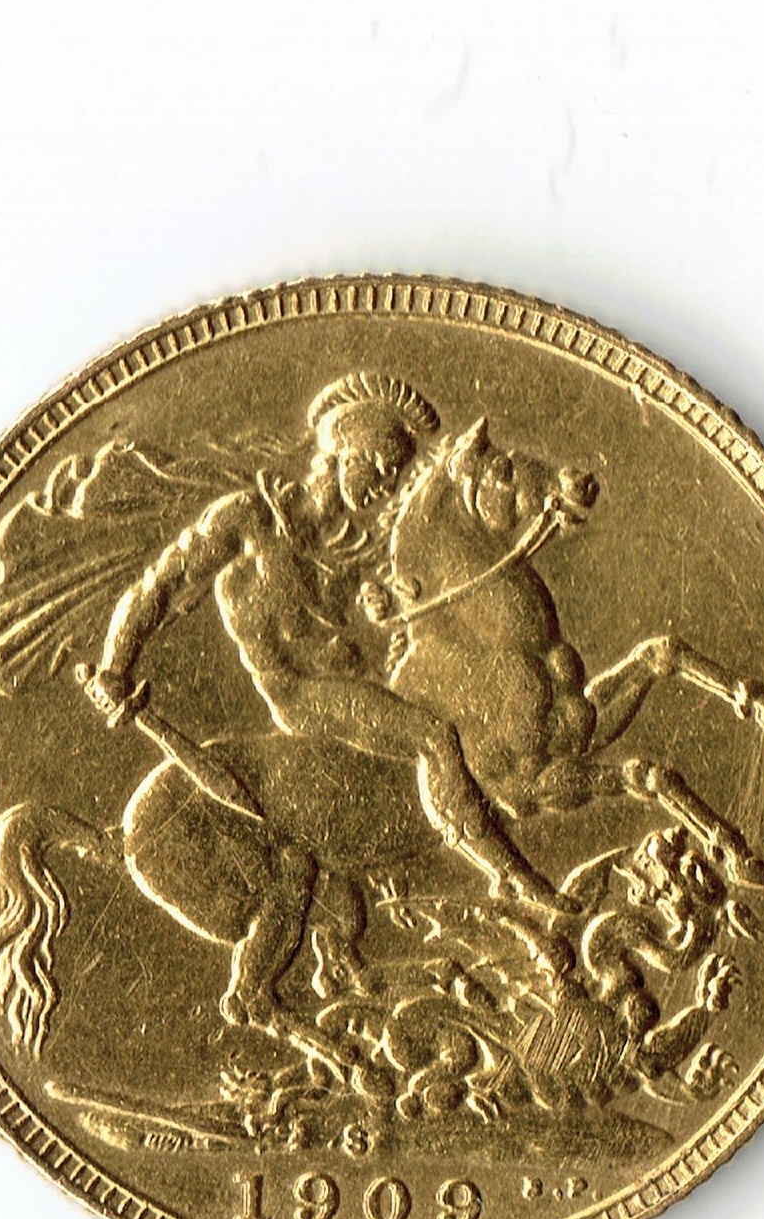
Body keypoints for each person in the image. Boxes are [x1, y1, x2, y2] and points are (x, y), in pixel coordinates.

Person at [80, 372, 565, 916]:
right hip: (300, 695)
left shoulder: (353, 546)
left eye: (396, 471)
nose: (387, 482)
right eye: (381, 463)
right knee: (433, 737)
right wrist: (115, 664)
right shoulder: (249, 519)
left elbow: (375, 624)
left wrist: (383, 606)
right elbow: (161, 585)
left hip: (357, 684)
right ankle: (511, 876)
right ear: (345, 451)